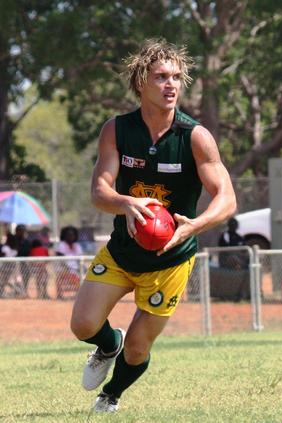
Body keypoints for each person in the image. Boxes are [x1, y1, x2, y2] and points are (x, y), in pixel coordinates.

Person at [69, 38, 236, 413]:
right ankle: (108, 343)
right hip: (123, 251)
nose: (171, 85)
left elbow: (227, 199)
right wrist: (125, 202)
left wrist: (195, 225)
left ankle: (110, 396)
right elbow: (99, 191)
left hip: (170, 261)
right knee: (82, 324)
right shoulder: (117, 129)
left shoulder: (195, 137)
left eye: (177, 77)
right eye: (161, 77)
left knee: (139, 347)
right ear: (140, 82)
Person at [55, 226, 83, 299]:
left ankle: (79, 295)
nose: (71, 237)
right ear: (64, 236)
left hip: (76, 270)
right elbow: (61, 261)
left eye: (72, 235)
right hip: (63, 269)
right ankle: (60, 295)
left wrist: (81, 268)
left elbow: (80, 259)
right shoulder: (62, 245)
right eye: (68, 235)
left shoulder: (77, 246)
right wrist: (70, 269)